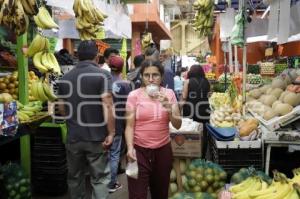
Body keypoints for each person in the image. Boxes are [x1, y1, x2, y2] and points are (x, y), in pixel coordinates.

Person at [57, 40, 115, 199]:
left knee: (75, 177)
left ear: (77, 56)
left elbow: (62, 110)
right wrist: (111, 133)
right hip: (97, 138)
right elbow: (108, 105)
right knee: (100, 178)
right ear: (97, 57)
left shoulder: (65, 78)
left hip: (74, 138)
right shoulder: (103, 75)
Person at [125, 60, 182, 199]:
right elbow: (129, 125)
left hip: (162, 150)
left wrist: (169, 107)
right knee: (137, 194)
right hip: (139, 151)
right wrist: (130, 147)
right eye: (146, 75)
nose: (151, 79)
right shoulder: (134, 96)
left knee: (160, 193)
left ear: (162, 77)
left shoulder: (169, 94)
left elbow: (178, 124)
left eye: (155, 75)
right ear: (142, 77)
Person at [107, 55, 132, 193]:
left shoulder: (104, 80)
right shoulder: (126, 84)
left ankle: (102, 181)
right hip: (118, 123)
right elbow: (128, 107)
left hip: (103, 123)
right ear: (122, 67)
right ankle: (111, 183)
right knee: (115, 154)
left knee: (105, 153)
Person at [181, 64, 210, 158]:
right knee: (203, 133)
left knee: (191, 132)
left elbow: (184, 98)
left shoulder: (187, 82)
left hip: (190, 110)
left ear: (191, 72)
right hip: (204, 110)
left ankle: (191, 154)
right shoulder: (207, 82)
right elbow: (208, 95)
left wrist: (178, 109)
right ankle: (202, 155)